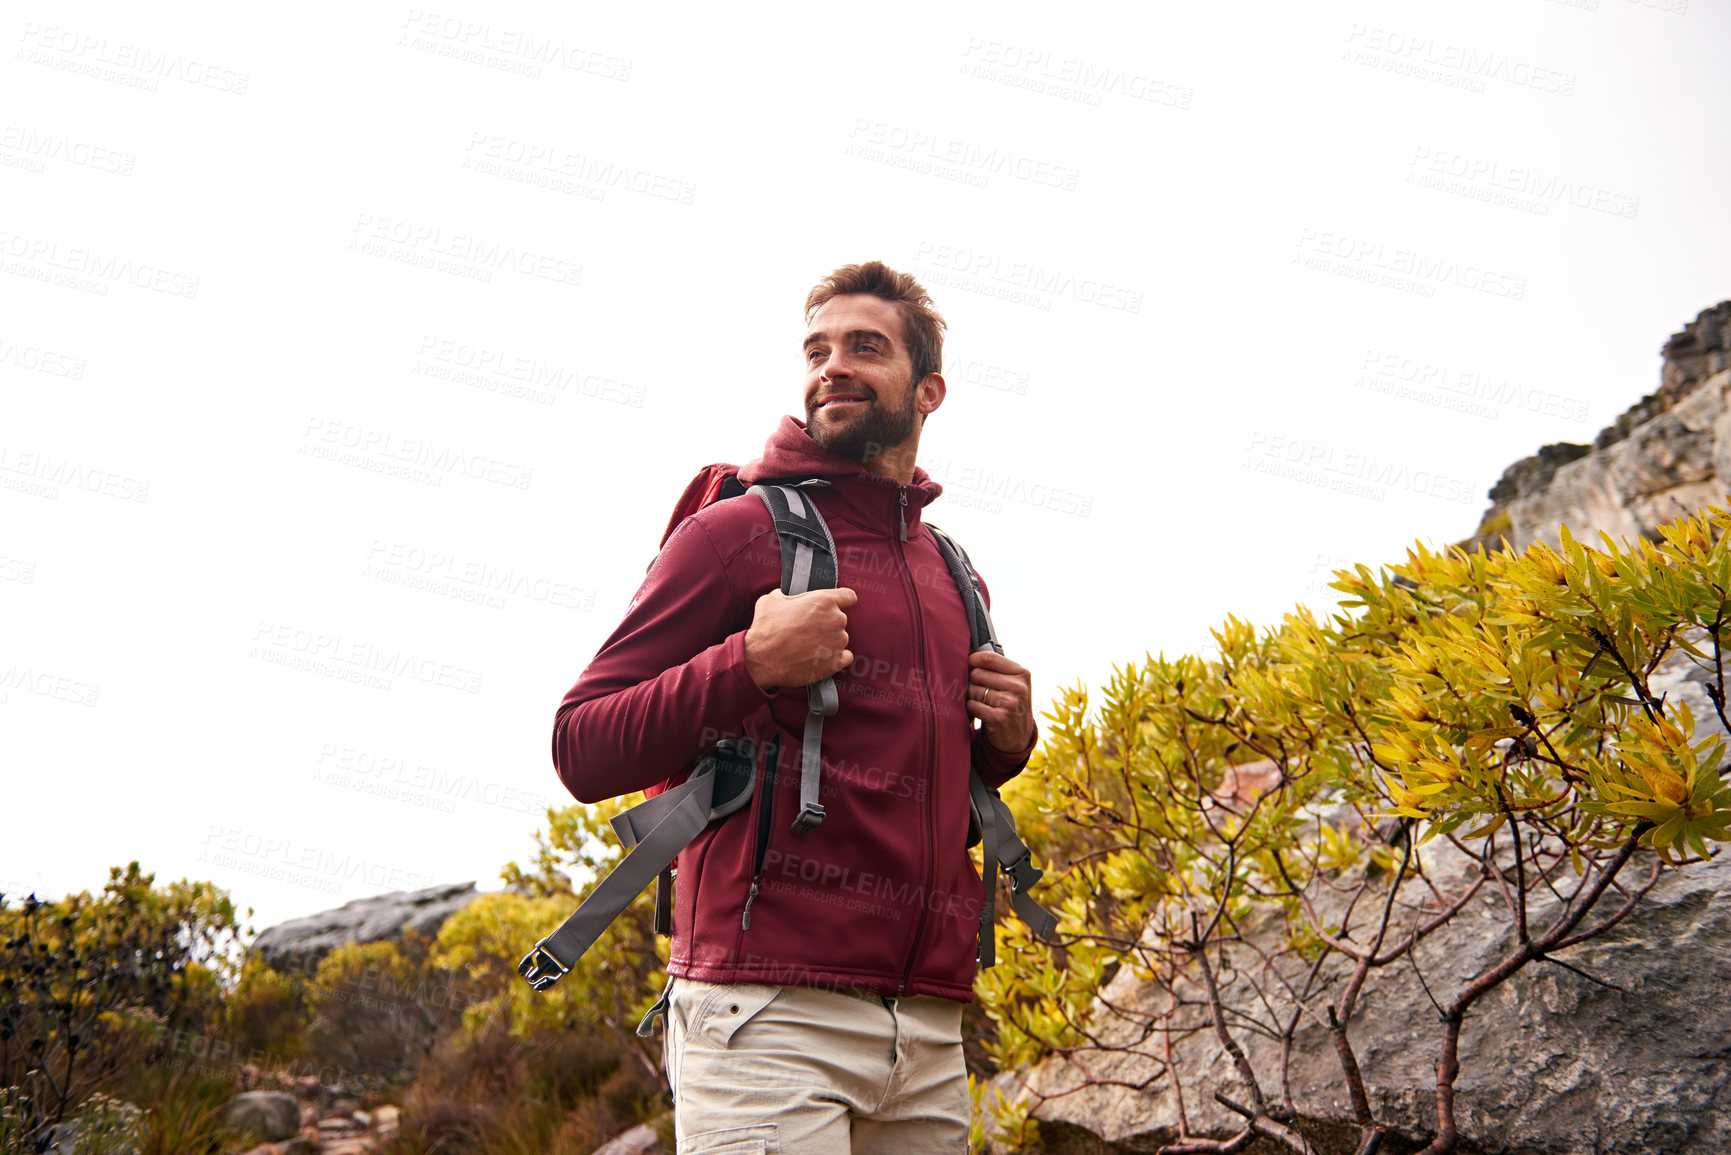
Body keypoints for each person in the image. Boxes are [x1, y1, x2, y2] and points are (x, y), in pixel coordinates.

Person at [551, 260, 1038, 1153]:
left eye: (865, 346)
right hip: (764, 1018)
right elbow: (581, 744)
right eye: (817, 349)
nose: (832, 366)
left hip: (927, 1029)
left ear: (928, 389)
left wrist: (1005, 748)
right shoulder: (734, 533)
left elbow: (903, 786)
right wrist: (748, 662)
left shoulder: (952, 572)